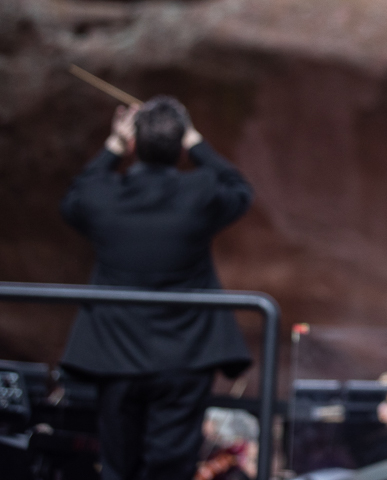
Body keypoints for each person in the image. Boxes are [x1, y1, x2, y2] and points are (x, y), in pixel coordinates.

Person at [60, 96, 254, 480]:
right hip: (185, 356)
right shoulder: (200, 192)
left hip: (114, 353)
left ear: (133, 144)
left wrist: (113, 146)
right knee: (171, 468)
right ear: (181, 145)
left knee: (118, 464)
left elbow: (74, 199)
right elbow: (240, 189)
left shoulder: (103, 195)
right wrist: (196, 141)